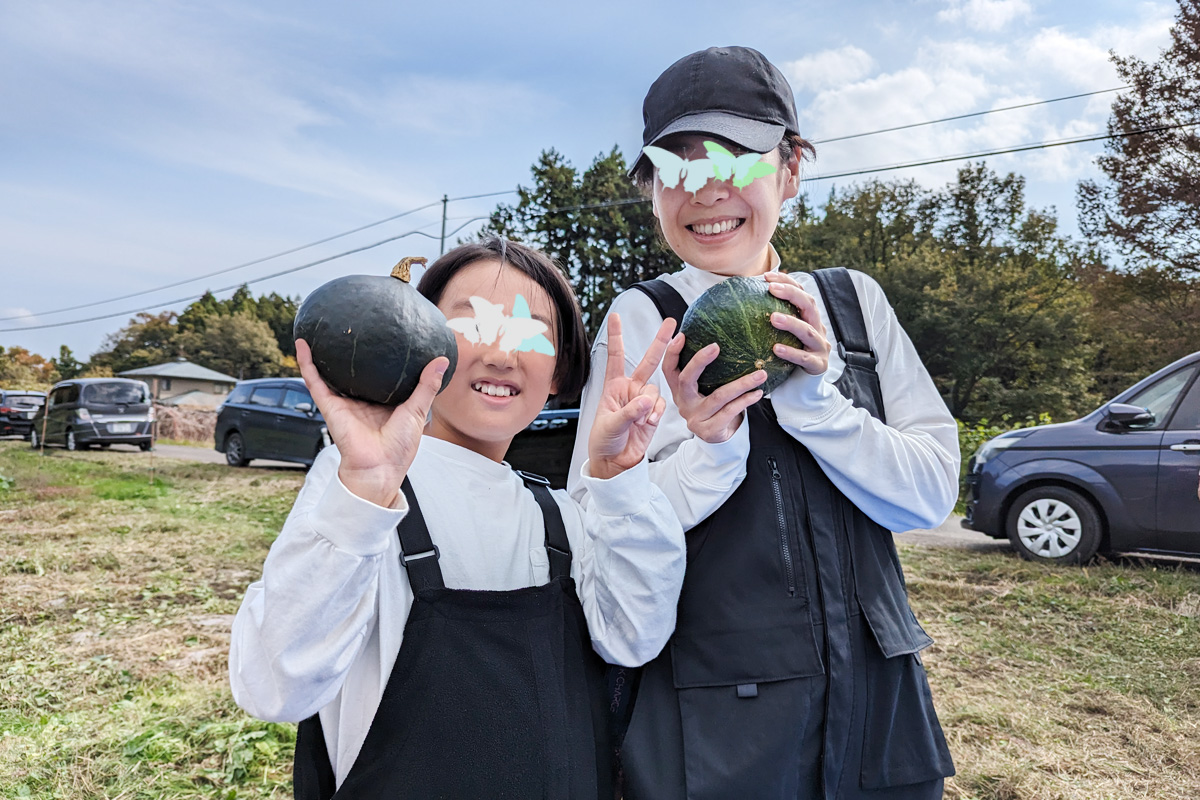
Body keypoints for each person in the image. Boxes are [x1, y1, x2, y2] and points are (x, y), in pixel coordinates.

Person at [568, 47, 958, 799]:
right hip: (715, 727)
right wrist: (708, 448)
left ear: (789, 170)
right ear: (652, 193)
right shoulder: (643, 320)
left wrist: (818, 407)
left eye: (738, 159)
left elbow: (930, 496)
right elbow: (604, 529)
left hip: (880, 710)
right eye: (676, 167)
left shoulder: (852, 306)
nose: (707, 190)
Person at [230, 238, 686, 799]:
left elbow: (635, 638)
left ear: (560, 373)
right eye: (471, 324)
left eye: (530, 332)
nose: (501, 354)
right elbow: (275, 687)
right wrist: (364, 491)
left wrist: (621, 478)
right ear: (420, 344)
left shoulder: (562, 517)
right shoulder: (361, 487)